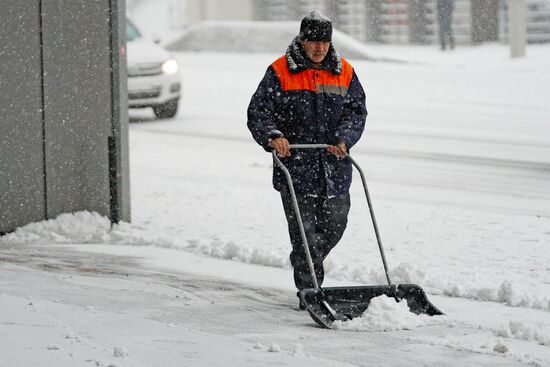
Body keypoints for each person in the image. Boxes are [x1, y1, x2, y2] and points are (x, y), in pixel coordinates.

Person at [247, 10, 367, 308]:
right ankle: (309, 290)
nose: (319, 48)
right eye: (313, 42)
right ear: (302, 41)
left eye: (324, 42)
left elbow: (356, 111)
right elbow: (258, 112)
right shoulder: (279, 71)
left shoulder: (345, 72)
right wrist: (274, 136)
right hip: (296, 167)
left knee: (336, 223)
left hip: (334, 167)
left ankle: (304, 260)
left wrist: (344, 138)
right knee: (304, 233)